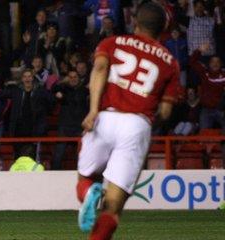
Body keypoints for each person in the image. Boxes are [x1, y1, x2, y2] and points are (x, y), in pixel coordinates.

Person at [76, 3, 180, 240]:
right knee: (113, 207)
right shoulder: (170, 62)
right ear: (163, 28)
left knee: (85, 179)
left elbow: (100, 68)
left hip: (105, 117)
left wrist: (93, 110)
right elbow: (165, 111)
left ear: (135, 21)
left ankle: (89, 192)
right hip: (137, 124)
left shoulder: (112, 42)